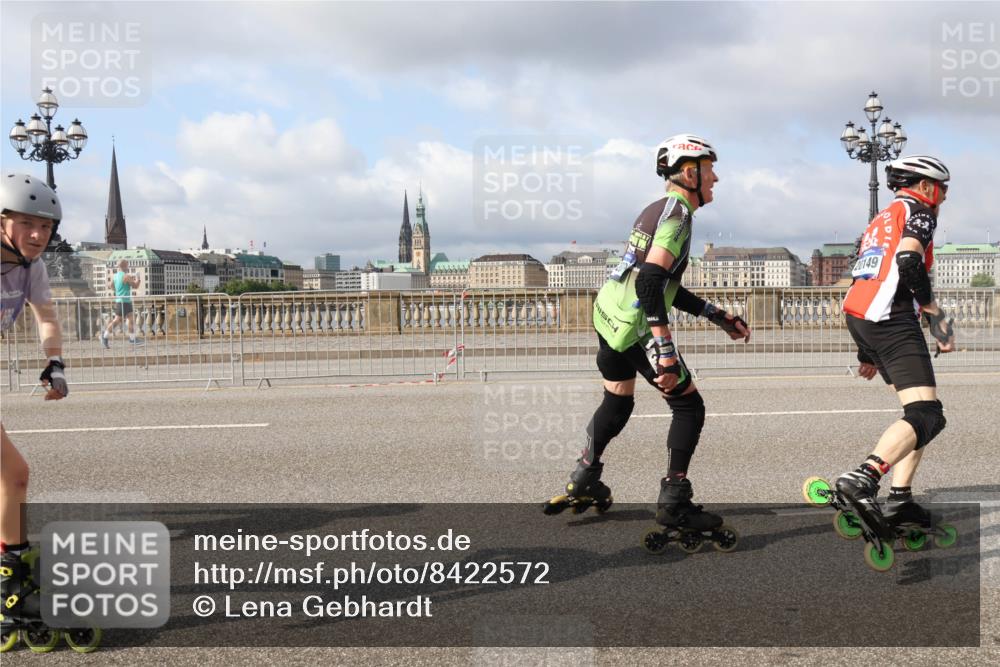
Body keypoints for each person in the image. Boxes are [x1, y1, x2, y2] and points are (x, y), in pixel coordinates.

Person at [544, 134, 751, 533]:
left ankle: (586, 474)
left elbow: (660, 281)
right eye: (710, 171)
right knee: (689, 407)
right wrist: (665, 348)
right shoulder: (679, 216)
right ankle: (676, 501)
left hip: (608, 317)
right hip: (636, 328)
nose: (716, 179)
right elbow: (652, 282)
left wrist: (715, 314)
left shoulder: (655, 209)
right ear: (690, 174)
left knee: (617, 401)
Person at [837, 155, 955, 536]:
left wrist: (865, 350)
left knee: (916, 415)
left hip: (861, 314)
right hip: (890, 317)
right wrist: (935, 315)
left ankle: (900, 498)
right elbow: (907, 260)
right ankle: (864, 479)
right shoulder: (920, 211)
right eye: (942, 189)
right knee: (928, 415)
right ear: (925, 187)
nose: (944, 197)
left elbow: (865, 270)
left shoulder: (881, 218)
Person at [1, 172, 69, 622]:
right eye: (28, 223)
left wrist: (54, 363)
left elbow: (45, 316)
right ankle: (11, 580)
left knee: (14, 477)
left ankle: (12, 572)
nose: (38, 235)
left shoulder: (33, 268)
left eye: (46, 227)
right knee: (14, 474)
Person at [101, 258, 142, 347]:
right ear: (124, 266)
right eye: (127, 265)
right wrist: (138, 278)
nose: (128, 266)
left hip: (121, 300)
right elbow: (135, 286)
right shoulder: (126, 276)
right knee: (117, 320)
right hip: (124, 301)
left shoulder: (115, 276)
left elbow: (111, 286)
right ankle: (104, 336)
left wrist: (119, 290)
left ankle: (132, 339)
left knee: (131, 319)